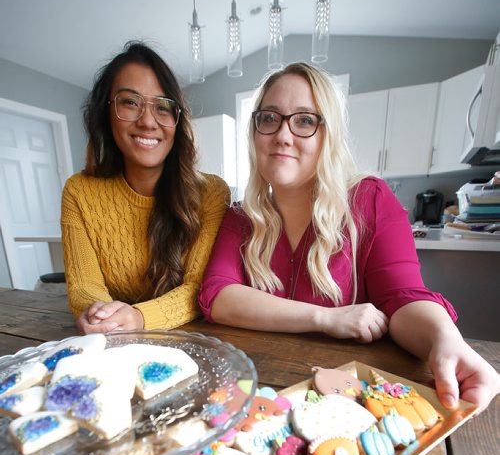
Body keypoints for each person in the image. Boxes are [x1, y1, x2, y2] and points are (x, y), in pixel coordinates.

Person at [199, 62, 500, 412]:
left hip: (347, 403)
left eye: (305, 120)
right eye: (269, 118)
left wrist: (445, 340)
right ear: (255, 133)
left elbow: (402, 297)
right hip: (257, 395)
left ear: (329, 136)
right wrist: (325, 317)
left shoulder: (370, 200)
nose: (283, 135)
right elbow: (218, 295)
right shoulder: (240, 216)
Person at [61, 41, 230, 334]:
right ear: (106, 111)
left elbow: (199, 289)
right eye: (130, 102)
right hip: (114, 343)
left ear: (178, 121)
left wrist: (139, 318)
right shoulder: (79, 191)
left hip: (195, 342)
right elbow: (84, 286)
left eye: (163, 106)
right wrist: (103, 316)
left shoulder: (212, 192)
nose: (148, 121)